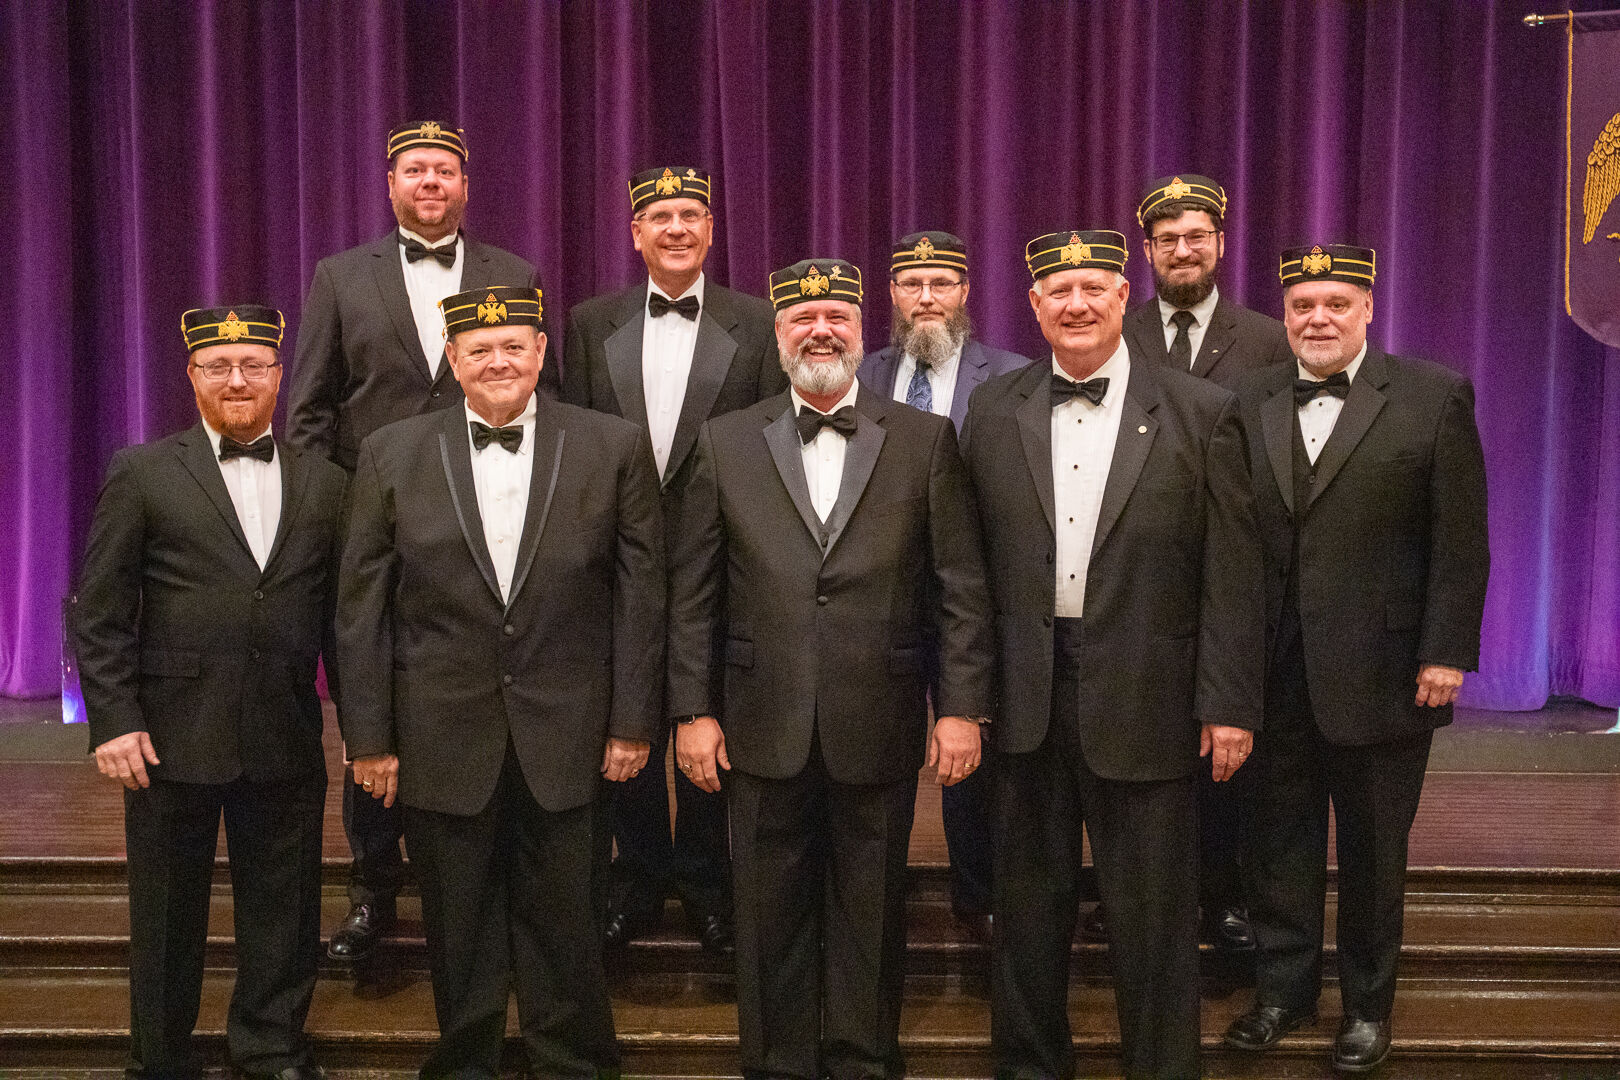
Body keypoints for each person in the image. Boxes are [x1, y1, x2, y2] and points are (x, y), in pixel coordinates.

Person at [668, 258, 993, 1079]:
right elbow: (695, 594)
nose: (820, 330)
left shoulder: (924, 440)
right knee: (765, 912)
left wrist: (961, 708)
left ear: (861, 329)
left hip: (877, 716)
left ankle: (862, 1061)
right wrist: (692, 712)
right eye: (802, 318)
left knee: (871, 911)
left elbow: (958, 588)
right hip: (758, 718)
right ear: (778, 334)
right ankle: (777, 1065)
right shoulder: (725, 440)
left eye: (836, 317)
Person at [337, 284, 665, 1079]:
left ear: (542, 352)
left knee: (568, 921)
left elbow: (641, 598)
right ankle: (467, 1064)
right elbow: (361, 610)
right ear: (452, 360)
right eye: (479, 350)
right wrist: (369, 737)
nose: (498, 362)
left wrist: (632, 721)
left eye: (514, 345)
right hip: (441, 732)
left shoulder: (614, 447)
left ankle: (574, 1064)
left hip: (572, 731)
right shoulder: (389, 452)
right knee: (458, 926)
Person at [962, 230, 1264, 1080]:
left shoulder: (1202, 411)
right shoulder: (994, 409)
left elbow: (1233, 573)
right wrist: (966, 698)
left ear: (1125, 297)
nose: (1077, 304)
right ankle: (1028, 1065)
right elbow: (967, 568)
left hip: (1150, 694)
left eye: (1094, 287)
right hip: (1026, 694)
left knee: (1155, 914)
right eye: (1059, 291)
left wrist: (1229, 702)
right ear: (1034, 306)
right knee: (1027, 909)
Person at [286, 120, 557, 962]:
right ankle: (374, 889)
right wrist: (330, 534)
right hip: (376, 542)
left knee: (484, 705)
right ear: (391, 183)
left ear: (466, 184)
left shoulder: (514, 273)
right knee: (372, 708)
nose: (430, 181)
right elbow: (310, 414)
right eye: (415, 169)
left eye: (444, 169)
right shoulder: (340, 277)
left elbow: (551, 404)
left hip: (492, 538)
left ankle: (491, 884)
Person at [1223, 244, 1489, 1074]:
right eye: (1302, 306)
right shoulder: (1247, 397)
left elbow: (1461, 539)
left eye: (1336, 303)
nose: (1319, 319)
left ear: (1369, 308)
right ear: (1284, 316)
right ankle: (1283, 993)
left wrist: (1446, 650)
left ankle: (1368, 1007)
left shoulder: (1433, 395)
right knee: (1277, 844)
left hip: (1386, 674)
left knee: (1374, 854)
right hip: (1272, 672)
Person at [74, 305, 344, 1080]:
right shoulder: (143, 471)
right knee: (166, 914)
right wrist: (113, 720)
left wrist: (368, 731)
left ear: (278, 376)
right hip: (168, 737)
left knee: (285, 908)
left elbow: (344, 622)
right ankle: (159, 1060)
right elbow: (101, 609)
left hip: (283, 730)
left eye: (253, 364)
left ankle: (270, 1047)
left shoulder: (327, 482)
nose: (237, 379)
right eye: (218, 366)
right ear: (191, 376)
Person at [561, 165, 781, 954]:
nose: (677, 228)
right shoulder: (589, 323)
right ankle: (640, 876)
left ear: (712, 230)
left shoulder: (759, 323)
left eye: (691, 215)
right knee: (627, 715)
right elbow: (575, 436)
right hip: (614, 555)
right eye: (661, 217)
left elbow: (769, 440)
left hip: (723, 554)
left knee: (711, 716)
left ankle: (708, 881)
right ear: (636, 233)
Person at [1115, 174, 1293, 953]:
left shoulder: (1268, 340)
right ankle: (1141, 899)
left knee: (1229, 757)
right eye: (1168, 239)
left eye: (1196, 236)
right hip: (1136, 582)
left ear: (1220, 242)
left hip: (1234, 570)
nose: (1182, 250)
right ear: (1147, 250)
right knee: (1142, 755)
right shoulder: (1114, 330)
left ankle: (1224, 897)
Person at [855, 229, 1026, 944]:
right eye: (912, 284)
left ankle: (978, 896)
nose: (927, 298)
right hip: (880, 603)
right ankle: (871, 896)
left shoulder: (1014, 377)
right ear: (892, 295)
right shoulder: (857, 371)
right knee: (870, 753)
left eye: (942, 284)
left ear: (965, 293)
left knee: (974, 753)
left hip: (973, 598)